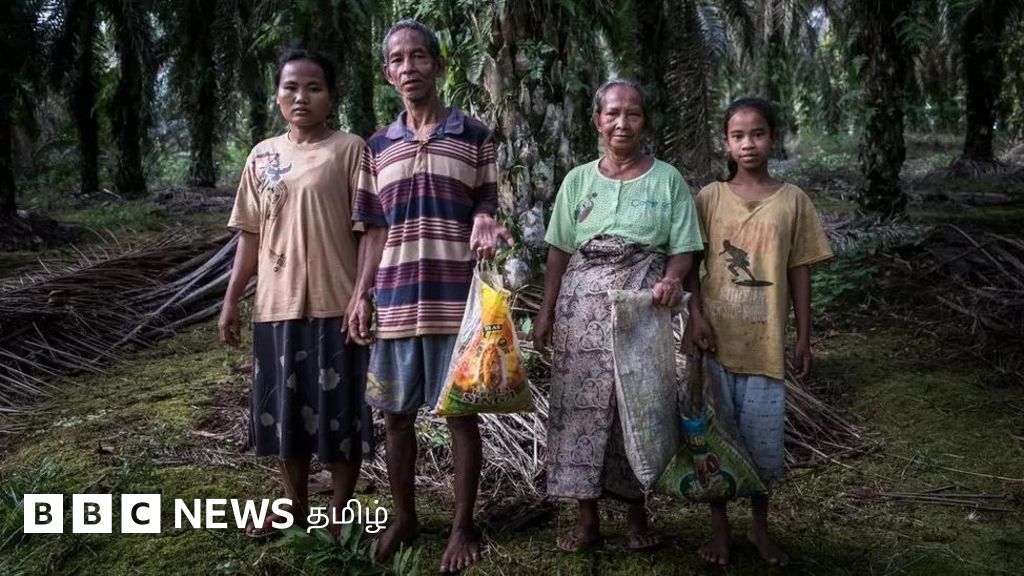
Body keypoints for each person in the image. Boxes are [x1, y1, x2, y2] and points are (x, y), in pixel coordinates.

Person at [348, 19, 512, 573]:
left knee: (461, 415)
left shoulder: (475, 136)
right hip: (395, 297)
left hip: (455, 299)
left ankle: (463, 524)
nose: (409, 67)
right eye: (398, 59)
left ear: (439, 66)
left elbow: (487, 203)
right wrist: (360, 295)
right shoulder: (377, 146)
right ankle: (405, 516)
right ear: (388, 73)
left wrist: (486, 220)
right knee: (395, 417)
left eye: (420, 57)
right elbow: (372, 229)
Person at [532, 78, 704, 552]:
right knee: (579, 411)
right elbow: (558, 251)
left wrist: (671, 279)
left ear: (644, 121)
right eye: (612, 113)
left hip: (640, 311)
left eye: (632, 113)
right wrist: (545, 313)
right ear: (597, 121)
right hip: (578, 312)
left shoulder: (667, 180)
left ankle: (635, 515)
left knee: (636, 406)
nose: (621, 122)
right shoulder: (577, 181)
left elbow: (685, 247)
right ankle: (586, 519)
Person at [218, 49, 374, 539]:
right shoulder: (261, 155)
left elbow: (370, 229)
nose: (301, 96)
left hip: (337, 303)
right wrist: (231, 298)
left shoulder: (350, 150)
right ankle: (296, 507)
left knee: (341, 416)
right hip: (276, 306)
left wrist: (362, 295)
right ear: (278, 95)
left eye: (313, 87)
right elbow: (249, 235)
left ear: (331, 96)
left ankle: (340, 515)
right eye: (291, 87)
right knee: (285, 417)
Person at [684, 97, 833, 567]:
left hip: (766, 345)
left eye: (757, 134)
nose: (748, 144)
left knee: (763, 447)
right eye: (738, 135)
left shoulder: (793, 201)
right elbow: (690, 263)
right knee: (715, 440)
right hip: (716, 343)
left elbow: (800, 271)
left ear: (773, 137)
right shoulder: (709, 198)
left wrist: (803, 336)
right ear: (725, 142)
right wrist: (697, 318)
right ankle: (720, 533)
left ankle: (760, 531)